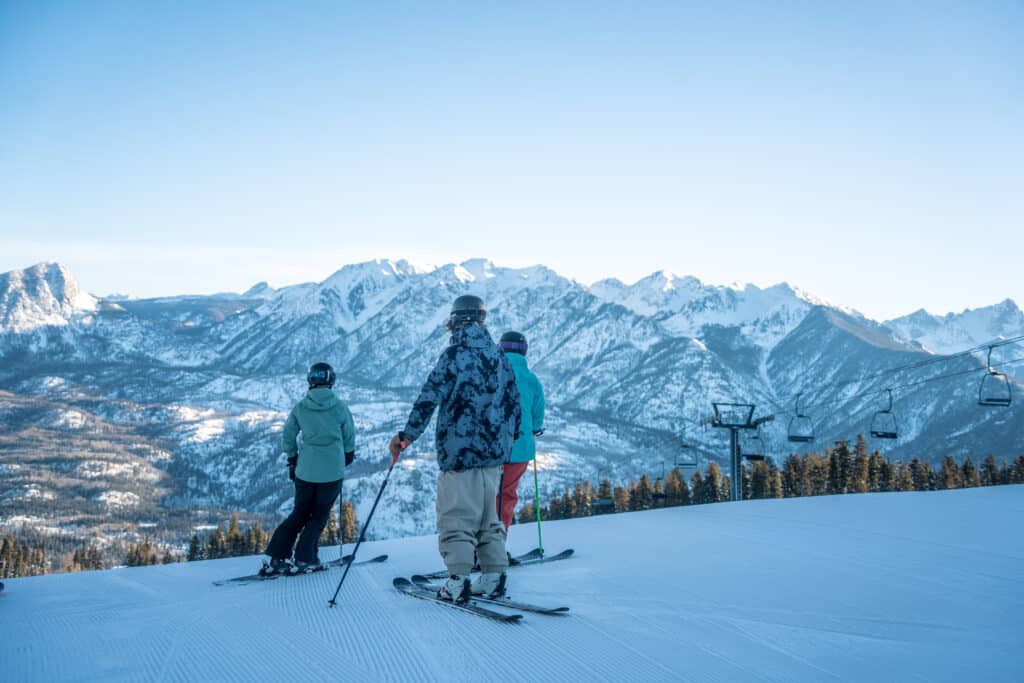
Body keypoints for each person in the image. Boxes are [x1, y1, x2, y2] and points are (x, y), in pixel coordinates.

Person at [389, 295, 521, 603]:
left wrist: (406, 437)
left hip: (459, 453)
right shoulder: (499, 357)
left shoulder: (454, 356)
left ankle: (458, 582)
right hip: (493, 457)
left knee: (456, 518)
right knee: (490, 518)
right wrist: (505, 443)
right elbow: (513, 404)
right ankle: (493, 577)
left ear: (456, 321)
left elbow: (427, 399)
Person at [262, 362, 356, 576]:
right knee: (319, 515)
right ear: (331, 380)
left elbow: (288, 435)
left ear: (310, 380)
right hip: (331, 472)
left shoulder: (301, 407)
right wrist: (346, 456)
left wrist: (293, 459)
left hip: (305, 471)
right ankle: (305, 558)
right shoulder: (340, 407)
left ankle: (276, 556)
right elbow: (349, 437)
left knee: (300, 513)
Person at [495, 331, 545, 537]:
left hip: (491, 449)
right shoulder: (531, 379)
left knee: (487, 496)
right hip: (520, 449)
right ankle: (497, 544)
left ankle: (478, 546)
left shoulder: (491, 374)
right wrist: (534, 428)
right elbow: (537, 414)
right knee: (507, 495)